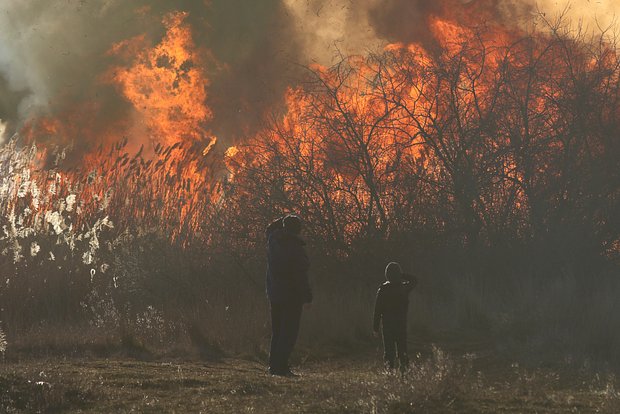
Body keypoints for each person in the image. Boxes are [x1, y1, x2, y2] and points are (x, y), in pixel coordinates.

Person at [266, 214, 312, 376]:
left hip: (274, 293)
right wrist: (307, 295)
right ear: (297, 230)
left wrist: (283, 219)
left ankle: (274, 366)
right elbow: (299, 275)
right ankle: (281, 367)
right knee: (289, 332)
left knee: (277, 331)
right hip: (292, 295)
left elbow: (270, 228)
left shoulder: (273, 241)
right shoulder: (294, 247)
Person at [373, 262, 417, 373]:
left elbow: (377, 310)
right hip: (401, 324)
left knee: (389, 353)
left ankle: (389, 375)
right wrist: (401, 275)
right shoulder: (404, 288)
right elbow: (414, 280)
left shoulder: (382, 290)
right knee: (403, 351)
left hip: (387, 325)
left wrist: (375, 327)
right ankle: (404, 374)